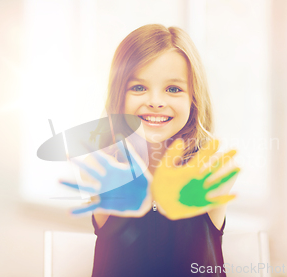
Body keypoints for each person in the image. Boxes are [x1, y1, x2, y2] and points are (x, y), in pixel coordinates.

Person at [63, 24, 239, 277]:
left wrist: (165, 199)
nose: (155, 101)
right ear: (118, 96)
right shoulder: (102, 167)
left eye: (173, 89)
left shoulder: (210, 167)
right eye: (138, 87)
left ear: (194, 98)